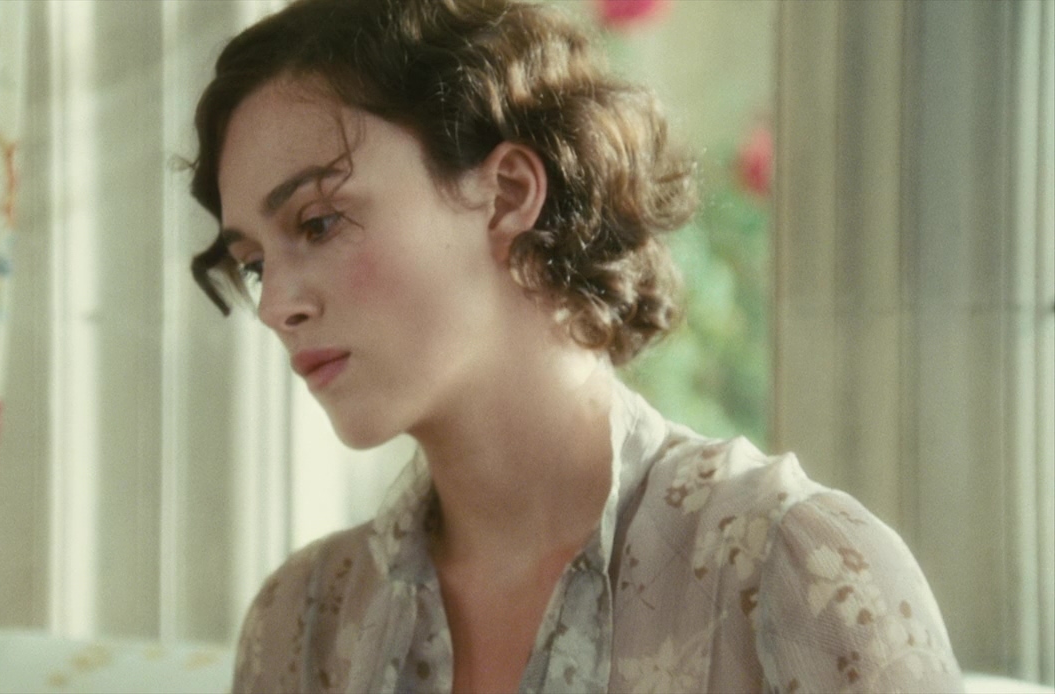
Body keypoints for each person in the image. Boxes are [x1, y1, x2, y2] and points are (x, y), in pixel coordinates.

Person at [188, 0, 963, 691]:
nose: (276, 306)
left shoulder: (793, 573)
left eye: (318, 223)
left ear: (509, 194)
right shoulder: (305, 623)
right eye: (254, 265)